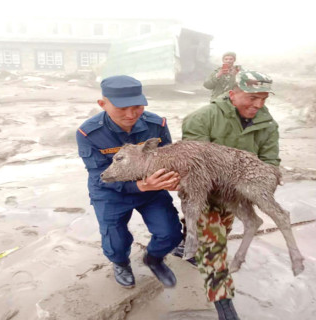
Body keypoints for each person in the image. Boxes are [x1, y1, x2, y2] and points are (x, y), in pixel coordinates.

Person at [181, 70, 279, 320]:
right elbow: (196, 167)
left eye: (264, 99)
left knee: (221, 231)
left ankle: (187, 242)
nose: (258, 105)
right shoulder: (202, 118)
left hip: (238, 199)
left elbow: (270, 163)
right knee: (214, 249)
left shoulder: (267, 124)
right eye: (252, 97)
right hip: (204, 196)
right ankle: (226, 310)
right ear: (232, 93)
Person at [76, 75, 183, 289]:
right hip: (111, 193)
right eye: (122, 108)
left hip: (151, 189)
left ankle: (154, 258)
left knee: (170, 233)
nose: (131, 114)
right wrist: (140, 185)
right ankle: (121, 263)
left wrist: (172, 180)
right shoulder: (89, 133)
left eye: (137, 107)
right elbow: (99, 175)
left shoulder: (156, 125)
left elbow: (169, 157)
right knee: (116, 242)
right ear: (102, 104)